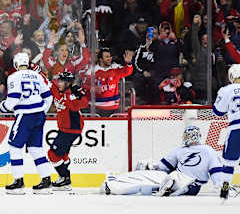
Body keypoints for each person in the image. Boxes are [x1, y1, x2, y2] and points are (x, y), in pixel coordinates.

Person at [100, 126, 224, 196]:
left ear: (193, 136)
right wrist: (222, 185)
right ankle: (115, 182)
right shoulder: (206, 150)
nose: (185, 139)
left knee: (148, 180)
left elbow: (163, 167)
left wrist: (150, 166)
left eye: (187, 136)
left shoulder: (188, 150)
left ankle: (114, 186)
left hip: (186, 181)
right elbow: (216, 171)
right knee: (147, 181)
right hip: (188, 185)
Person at [0, 52, 54, 194]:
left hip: (25, 116)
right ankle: (46, 181)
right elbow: (48, 96)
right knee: (36, 148)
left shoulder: (13, 76)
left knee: (14, 146)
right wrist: (41, 111)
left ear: (16, 65)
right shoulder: (38, 76)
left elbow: (13, 99)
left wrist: (2, 107)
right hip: (39, 115)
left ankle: (18, 182)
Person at [48, 71, 87, 191]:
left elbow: (81, 104)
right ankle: (64, 178)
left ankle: (65, 178)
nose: (59, 83)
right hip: (63, 129)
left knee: (52, 154)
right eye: (58, 80)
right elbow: (46, 82)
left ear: (68, 83)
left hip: (71, 129)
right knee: (63, 155)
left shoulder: (73, 93)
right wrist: (32, 68)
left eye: (62, 81)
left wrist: (74, 94)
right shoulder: (57, 91)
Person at [213, 64, 240, 200]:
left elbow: (218, 111)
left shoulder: (226, 90)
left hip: (236, 129)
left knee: (229, 162)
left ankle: (225, 188)